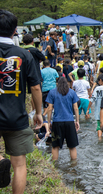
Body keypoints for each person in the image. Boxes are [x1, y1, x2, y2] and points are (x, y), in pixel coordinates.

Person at [0, 9, 43, 192]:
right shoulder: (24, 55)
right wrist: (39, 113)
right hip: (16, 117)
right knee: (19, 164)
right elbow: (35, 87)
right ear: (15, 31)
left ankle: (1, 161)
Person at [46, 77, 79, 161]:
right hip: (70, 121)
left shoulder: (52, 92)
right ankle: (74, 167)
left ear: (57, 83)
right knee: (72, 146)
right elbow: (75, 108)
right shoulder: (72, 92)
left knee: (55, 146)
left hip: (57, 122)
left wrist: (49, 121)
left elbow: (49, 108)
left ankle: (55, 166)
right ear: (67, 84)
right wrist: (77, 121)